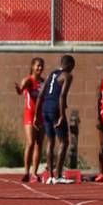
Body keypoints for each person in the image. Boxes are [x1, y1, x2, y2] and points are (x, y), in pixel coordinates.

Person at [35, 55, 75, 184]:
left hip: (45, 107)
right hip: (55, 109)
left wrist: (36, 115)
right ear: (69, 65)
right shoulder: (67, 76)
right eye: (73, 66)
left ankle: (50, 176)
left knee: (50, 141)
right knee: (64, 141)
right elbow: (62, 96)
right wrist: (62, 115)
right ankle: (58, 175)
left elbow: (41, 94)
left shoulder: (52, 74)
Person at [14, 57, 45, 182]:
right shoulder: (28, 80)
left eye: (42, 66)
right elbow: (21, 90)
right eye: (38, 66)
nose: (40, 68)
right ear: (32, 66)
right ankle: (26, 171)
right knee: (31, 142)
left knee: (39, 144)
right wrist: (18, 88)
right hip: (29, 115)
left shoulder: (43, 82)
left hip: (41, 116)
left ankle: (34, 173)